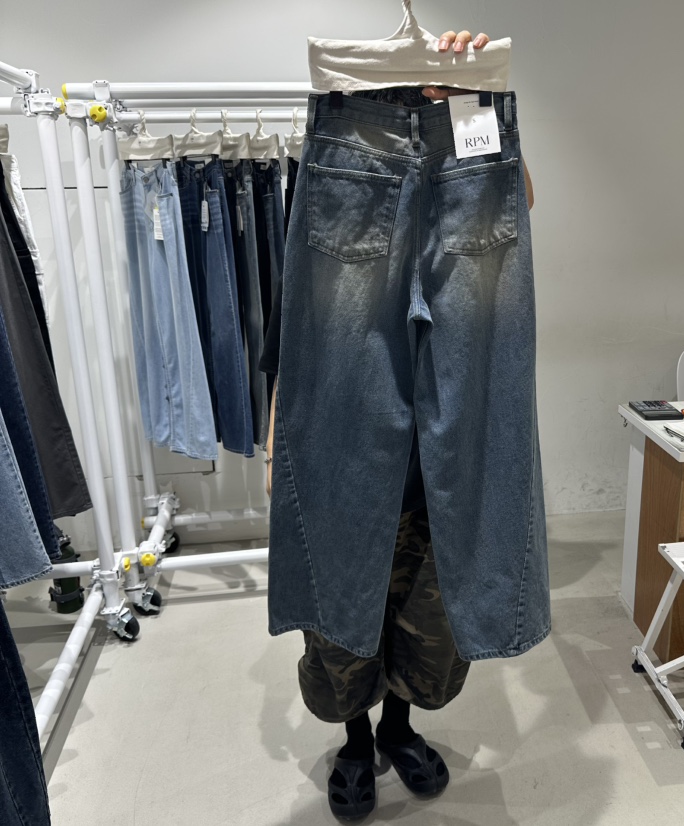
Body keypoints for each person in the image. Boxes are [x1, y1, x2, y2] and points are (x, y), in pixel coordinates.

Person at [263, 28, 534, 820]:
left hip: (435, 472)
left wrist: (473, 106)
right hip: (347, 453)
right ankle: (355, 739)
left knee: (430, 610)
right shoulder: (338, 140)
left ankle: (398, 727)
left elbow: (515, 207)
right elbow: (307, 333)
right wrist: (285, 443)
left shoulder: (472, 120)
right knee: (343, 605)